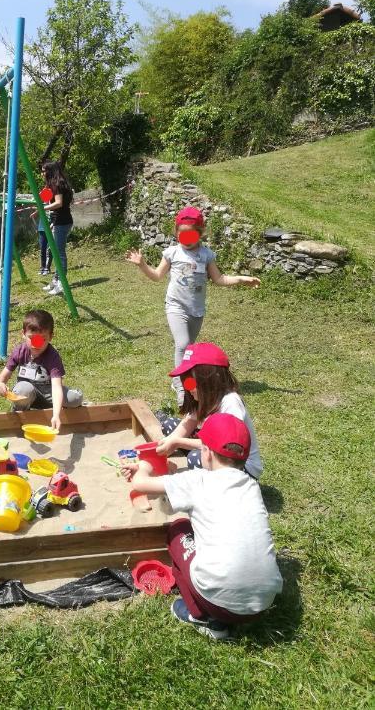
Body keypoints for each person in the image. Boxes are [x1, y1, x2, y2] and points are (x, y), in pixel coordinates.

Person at [122, 413, 282, 641]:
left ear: (206, 452)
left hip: (221, 604)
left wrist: (145, 466)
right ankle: (220, 609)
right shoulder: (251, 486)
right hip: (263, 605)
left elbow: (140, 484)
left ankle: (201, 616)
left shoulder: (197, 480)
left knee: (177, 530)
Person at [125, 206, 261, 406]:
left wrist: (241, 279)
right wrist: (142, 264)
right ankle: (183, 389)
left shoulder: (206, 255)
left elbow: (219, 278)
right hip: (176, 306)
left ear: (201, 233)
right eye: (182, 235)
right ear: (176, 233)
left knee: (187, 350)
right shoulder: (172, 253)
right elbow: (156, 276)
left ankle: (181, 380)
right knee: (183, 345)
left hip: (196, 311)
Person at [155, 341, 263, 479]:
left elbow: (225, 447)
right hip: (212, 451)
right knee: (170, 425)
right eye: (186, 382)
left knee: (195, 458)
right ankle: (201, 462)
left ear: (209, 379)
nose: (188, 388)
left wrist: (177, 442)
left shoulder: (230, 402)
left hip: (238, 465)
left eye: (191, 382)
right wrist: (167, 444)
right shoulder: (203, 397)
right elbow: (188, 423)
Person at [0, 309, 83, 430]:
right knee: (22, 389)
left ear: (51, 337)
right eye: (32, 338)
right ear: (23, 333)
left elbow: (56, 386)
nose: (37, 344)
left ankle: (56, 407)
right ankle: (20, 412)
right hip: (27, 395)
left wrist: (56, 415)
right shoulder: (20, 351)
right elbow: (1, 378)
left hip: (48, 394)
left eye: (42, 339)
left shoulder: (52, 356)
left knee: (74, 399)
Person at [41, 161, 74, 297]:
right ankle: (55, 280)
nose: (42, 173)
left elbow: (58, 203)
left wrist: (42, 208)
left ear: (50, 171)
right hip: (58, 221)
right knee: (54, 252)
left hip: (62, 222)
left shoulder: (57, 184)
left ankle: (61, 282)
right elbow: (48, 200)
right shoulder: (54, 184)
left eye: (44, 170)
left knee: (59, 253)